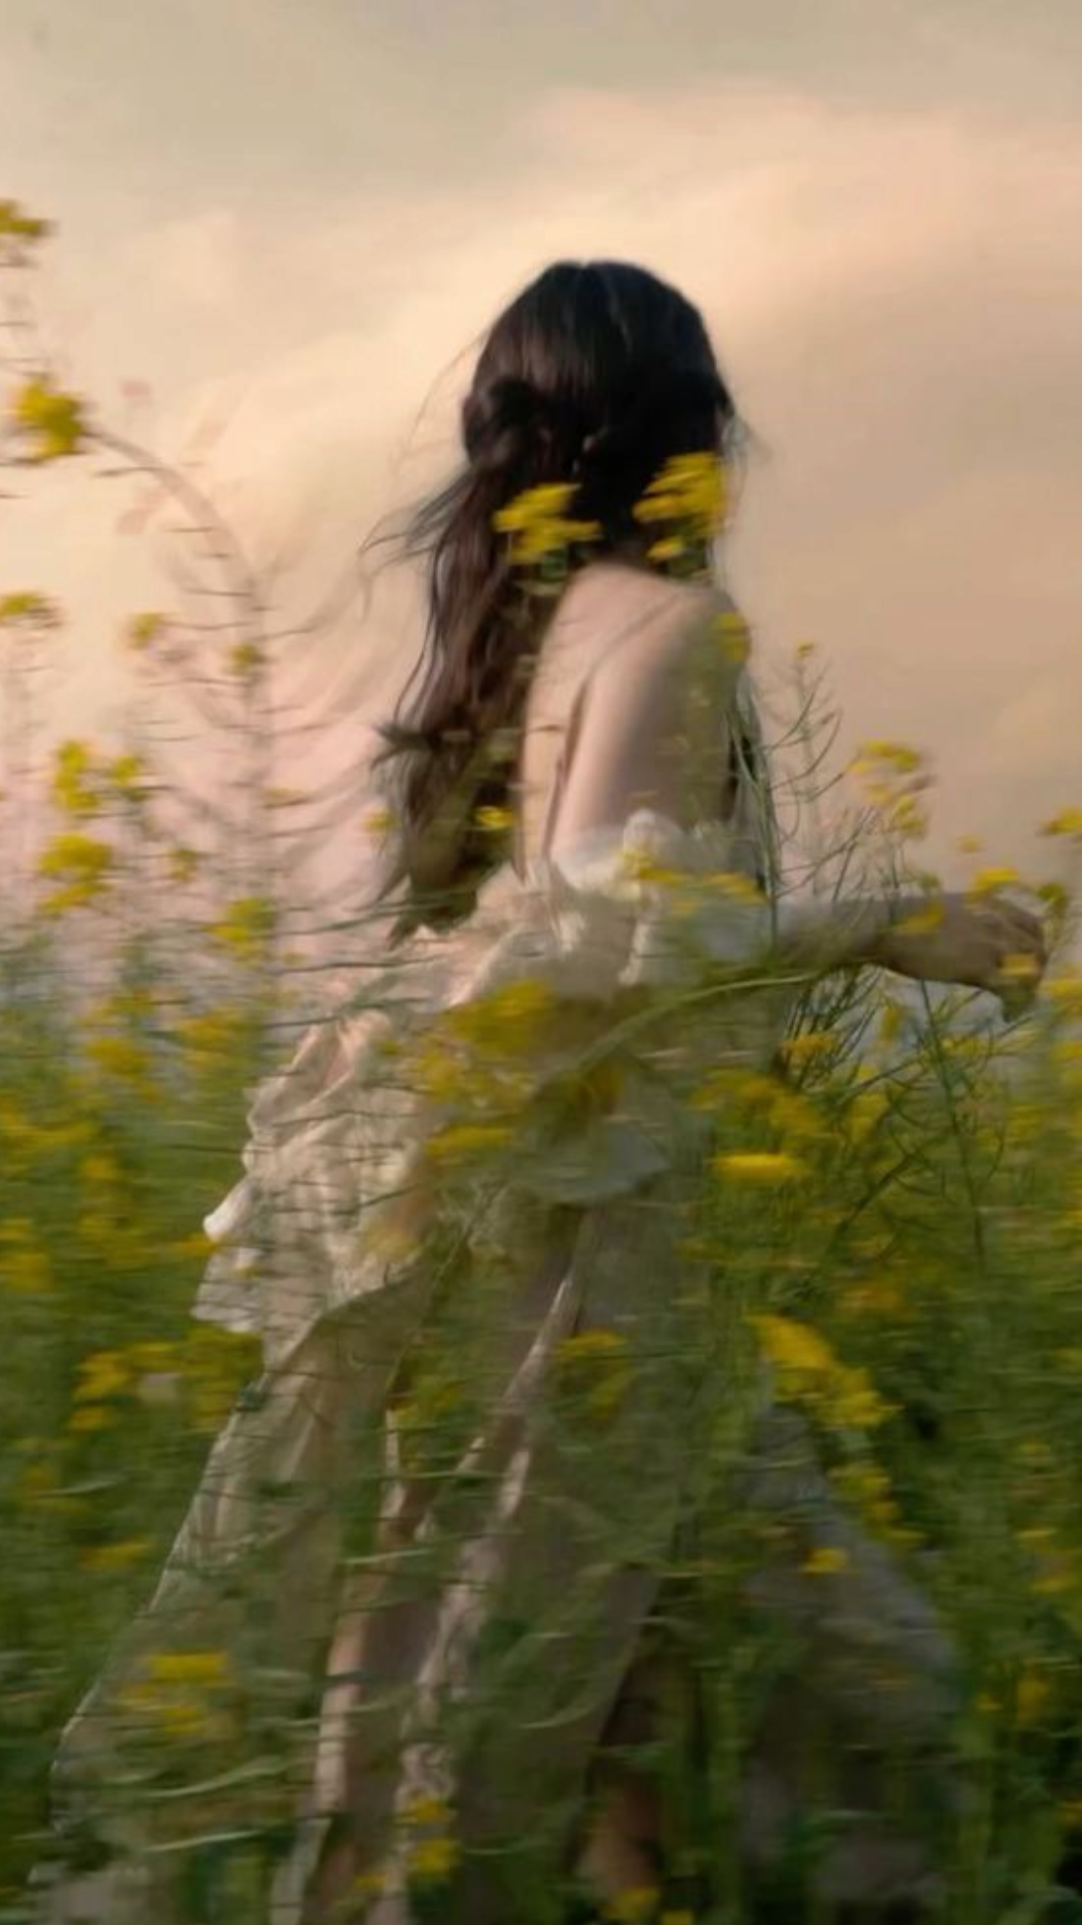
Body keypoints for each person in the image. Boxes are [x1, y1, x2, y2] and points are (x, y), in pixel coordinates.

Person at [45, 260, 1046, 1925]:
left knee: (573, 1674)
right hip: (607, 1270)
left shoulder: (527, 635)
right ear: (682, 424)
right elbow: (597, 929)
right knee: (760, 1687)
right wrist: (886, 923)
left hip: (561, 1238)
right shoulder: (671, 623)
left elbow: (526, 937)